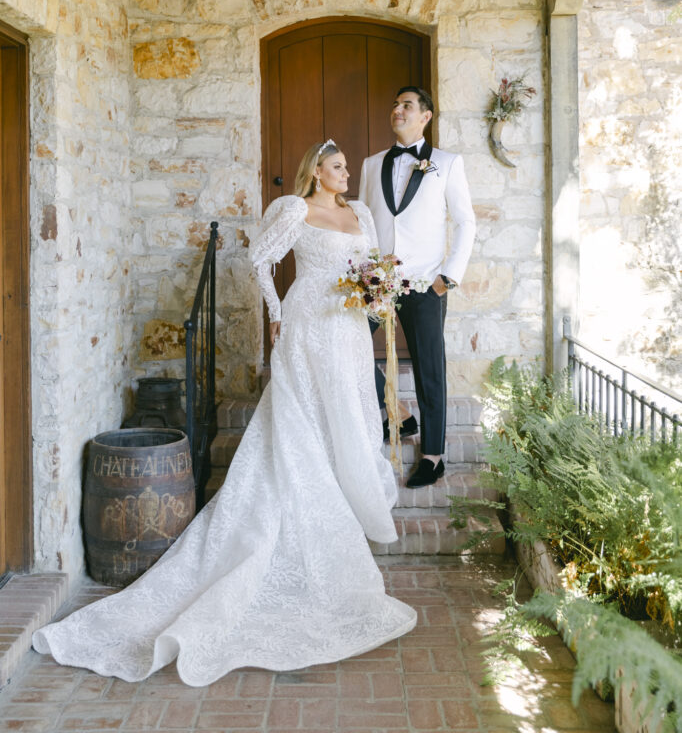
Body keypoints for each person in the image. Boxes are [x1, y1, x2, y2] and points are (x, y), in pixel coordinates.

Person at [32, 140, 416, 686]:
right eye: (337, 167)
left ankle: (351, 496)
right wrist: (278, 313)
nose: (346, 173)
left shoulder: (359, 214)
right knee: (301, 420)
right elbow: (261, 259)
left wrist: (376, 296)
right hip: (308, 324)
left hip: (349, 326)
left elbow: (372, 265)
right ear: (317, 172)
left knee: (350, 412)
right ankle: (310, 510)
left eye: (346, 167)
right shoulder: (295, 210)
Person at [359, 87, 476, 490]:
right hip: (377, 283)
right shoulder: (372, 164)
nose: (397, 110)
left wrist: (449, 277)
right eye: (395, 104)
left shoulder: (446, 163)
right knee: (348, 343)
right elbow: (363, 223)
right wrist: (362, 273)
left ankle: (433, 456)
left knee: (430, 370)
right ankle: (396, 415)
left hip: (426, 283)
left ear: (425, 116)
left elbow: (466, 222)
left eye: (407, 105)